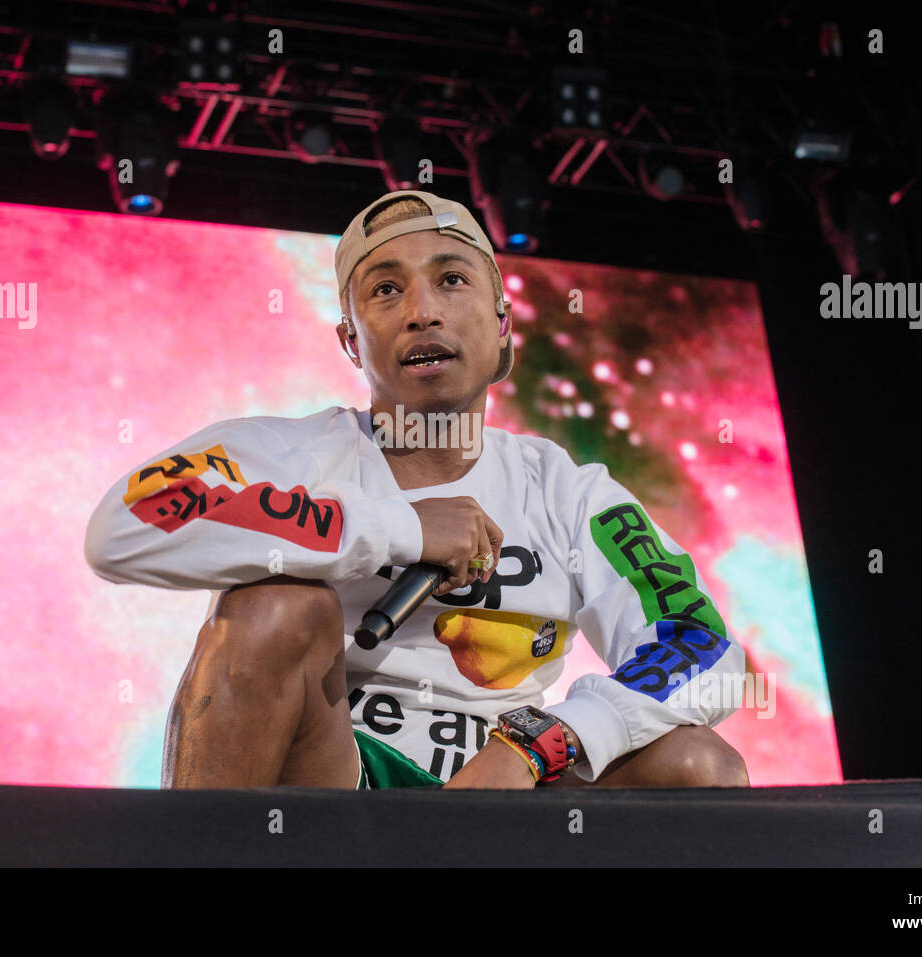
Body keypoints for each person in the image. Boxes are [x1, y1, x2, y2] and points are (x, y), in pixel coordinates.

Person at [84, 188, 749, 791]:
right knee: (276, 604)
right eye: (384, 291)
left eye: (451, 281)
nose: (422, 312)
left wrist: (540, 741)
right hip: (339, 788)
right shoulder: (291, 452)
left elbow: (702, 643)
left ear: (502, 324)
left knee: (700, 764)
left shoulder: (572, 496)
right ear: (352, 342)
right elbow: (122, 527)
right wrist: (396, 528)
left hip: (511, 796)